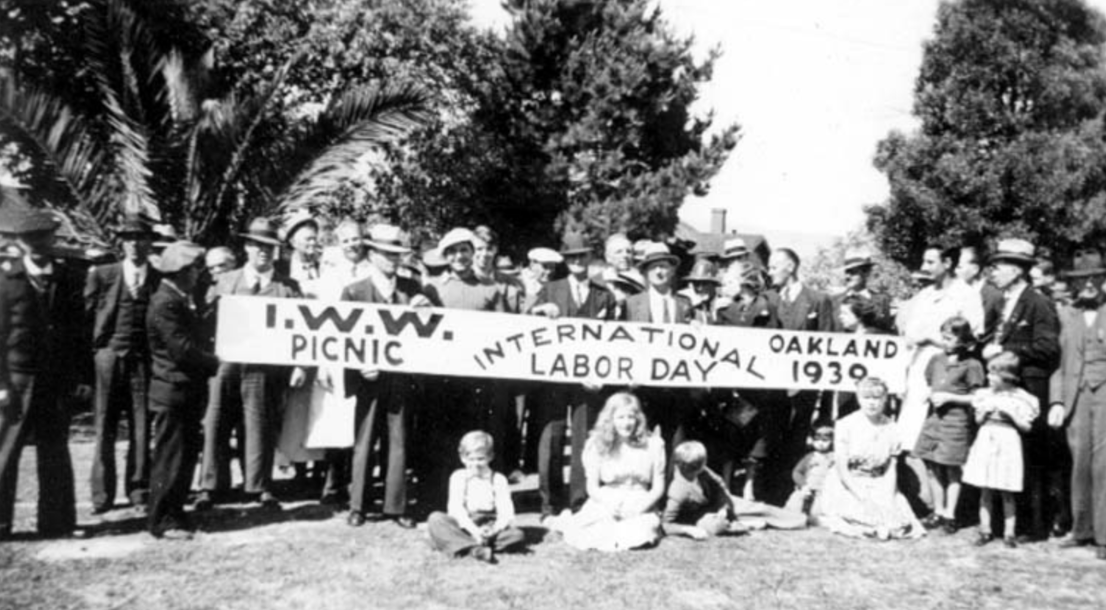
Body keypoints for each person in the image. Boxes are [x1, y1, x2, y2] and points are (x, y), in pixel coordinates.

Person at [199, 217, 305, 510]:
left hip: (263, 368)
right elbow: (206, 324)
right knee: (216, 422)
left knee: (259, 425)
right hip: (225, 364)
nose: (264, 252)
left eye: (270, 247)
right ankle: (210, 486)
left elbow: (302, 331)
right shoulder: (226, 282)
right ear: (247, 247)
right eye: (258, 245)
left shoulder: (288, 288)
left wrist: (300, 365)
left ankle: (259, 486)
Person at [0, 197, 90, 540]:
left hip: (55, 381)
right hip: (17, 378)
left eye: (44, 238)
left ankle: (57, 522)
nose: (38, 246)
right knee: (5, 453)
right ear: (20, 243)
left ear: (53, 239)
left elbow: (79, 334)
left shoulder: (67, 279)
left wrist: (80, 379)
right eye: (30, 239)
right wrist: (2, 384)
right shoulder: (6, 281)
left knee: (55, 453)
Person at [340, 224, 429, 528]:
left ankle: (396, 505)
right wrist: (358, 365)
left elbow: (429, 334)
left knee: (398, 440)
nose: (393, 259)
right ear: (372, 254)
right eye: (387, 254)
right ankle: (359, 505)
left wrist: (427, 311)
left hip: (401, 379)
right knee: (365, 440)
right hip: (369, 378)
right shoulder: (355, 291)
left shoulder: (413, 290)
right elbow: (342, 338)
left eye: (397, 254)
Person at [528, 231, 618, 516]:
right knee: (551, 437)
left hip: (588, 380)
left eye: (582, 255)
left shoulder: (604, 296)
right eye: (571, 257)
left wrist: (602, 374)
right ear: (565, 260)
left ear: (590, 258)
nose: (577, 261)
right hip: (554, 378)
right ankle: (550, 502)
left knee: (585, 438)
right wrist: (541, 310)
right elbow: (526, 322)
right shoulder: (551, 289)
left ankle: (580, 499)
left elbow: (617, 339)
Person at [984, 238, 1060, 542]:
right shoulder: (1005, 302)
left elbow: (1047, 348)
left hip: (1029, 387)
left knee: (1030, 456)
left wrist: (1004, 349)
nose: (995, 271)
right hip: (1008, 386)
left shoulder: (1038, 303)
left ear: (1017, 270)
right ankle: (1010, 522)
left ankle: (1034, 524)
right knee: (1009, 454)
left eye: (1000, 265)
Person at [145, 241, 220, 539]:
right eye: (194, 269)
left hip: (184, 390)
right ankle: (161, 519)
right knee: (170, 457)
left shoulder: (179, 299)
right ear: (181, 272)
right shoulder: (166, 303)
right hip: (173, 390)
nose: (198, 275)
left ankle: (174, 512)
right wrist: (216, 361)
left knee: (184, 455)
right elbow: (183, 350)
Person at [85, 218, 160, 514]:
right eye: (128, 238)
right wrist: (95, 354)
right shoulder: (103, 275)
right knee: (104, 425)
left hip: (143, 360)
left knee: (142, 427)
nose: (134, 244)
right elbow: (86, 317)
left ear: (149, 243)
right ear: (121, 243)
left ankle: (139, 490)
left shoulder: (157, 278)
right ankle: (101, 496)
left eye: (140, 238)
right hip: (109, 357)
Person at [1048, 250, 1106, 559]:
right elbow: (1058, 363)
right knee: (1079, 462)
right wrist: (1057, 400)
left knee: (1104, 464)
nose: (1089, 284)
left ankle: (1104, 536)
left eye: (1095, 277)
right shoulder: (1066, 314)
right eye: (1083, 279)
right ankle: (1081, 529)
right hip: (1076, 395)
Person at [765, 247, 834, 505]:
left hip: (804, 389)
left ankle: (795, 495)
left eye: (774, 267)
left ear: (790, 267)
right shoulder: (769, 299)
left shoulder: (817, 300)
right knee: (773, 438)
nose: (770, 272)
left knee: (797, 441)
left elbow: (829, 346)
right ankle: (772, 494)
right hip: (773, 387)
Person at [556, 392, 665, 552]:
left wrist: (640, 507)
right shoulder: (597, 445)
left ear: (638, 419)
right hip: (607, 499)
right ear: (610, 419)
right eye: (620, 417)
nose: (626, 423)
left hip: (639, 500)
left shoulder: (653, 445)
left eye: (631, 417)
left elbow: (658, 487)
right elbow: (592, 487)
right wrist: (608, 504)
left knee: (641, 531)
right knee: (587, 529)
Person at [819, 377, 923, 540]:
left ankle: (880, 525)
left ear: (885, 399)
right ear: (858, 398)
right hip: (850, 481)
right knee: (859, 513)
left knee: (894, 517)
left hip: (880, 481)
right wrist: (862, 495)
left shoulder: (892, 427)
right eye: (866, 398)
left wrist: (888, 496)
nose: (872, 403)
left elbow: (890, 467)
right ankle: (866, 525)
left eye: (877, 398)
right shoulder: (846, 424)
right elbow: (842, 467)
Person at [913, 316, 985, 534]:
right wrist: (929, 395)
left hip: (956, 421)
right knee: (932, 466)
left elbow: (977, 397)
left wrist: (950, 398)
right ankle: (938, 510)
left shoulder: (972, 365)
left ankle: (950, 515)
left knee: (952, 469)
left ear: (962, 340)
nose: (945, 342)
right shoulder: (936, 360)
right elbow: (930, 384)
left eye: (950, 338)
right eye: (943, 337)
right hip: (934, 419)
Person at [963, 352, 1039, 548]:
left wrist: (1012, 416)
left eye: (992, 374)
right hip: (987, 439)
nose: (988, 377)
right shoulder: (985, 396)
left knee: (1007, 489)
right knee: (985, 488)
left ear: (1006, 377)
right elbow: (978, 421)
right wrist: (985, 413)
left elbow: (1027, 427)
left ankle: (1009, 532)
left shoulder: (1022, 399)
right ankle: (985, 530)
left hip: (1008, 442)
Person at [624, 242, 691, 450]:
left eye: (664, 266)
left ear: (672, 270)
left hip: (676, 387)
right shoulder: (632, 304)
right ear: (645, 272)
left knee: (676, 444)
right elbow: (622, 343)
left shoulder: (685, 303)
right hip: (643, 386)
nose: (660, 271)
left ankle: (670, 482)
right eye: (654, 267)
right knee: (640, 442)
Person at [427, 430, 525, 563]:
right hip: (465, 524)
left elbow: (506, 512)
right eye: (471, 459)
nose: (475, 464)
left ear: (490, 457)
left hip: (489, 523)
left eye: (481, 459)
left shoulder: (498, 479)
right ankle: (476, 549)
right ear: (462, 458)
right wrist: (474, 531)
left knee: (517, 535)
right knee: (436, 519)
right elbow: (456, 510)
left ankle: (459, 544)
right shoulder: (458, 477)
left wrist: (494, 529)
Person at [662, 441, 748, 540]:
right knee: (717, 526)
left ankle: (744, 521)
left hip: (714, 505)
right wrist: (687, 529)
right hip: (698, 517)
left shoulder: (702, 470)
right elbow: (666, 524)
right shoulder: (678, 491)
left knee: (757, 509)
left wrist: (723, 507)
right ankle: (739, 524)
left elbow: (719, 483)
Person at [831, 248, 893, 333]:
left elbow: (886, 333)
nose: (847, 277)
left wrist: (859, 328)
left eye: (853, 272)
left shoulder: (881, 301)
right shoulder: (834, 301)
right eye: (846, 272)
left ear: (866, 273)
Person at [784, 423, 835, 520]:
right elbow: (797, 472)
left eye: (825, 441)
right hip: (808, 488)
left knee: (818, 513)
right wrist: (803, 484)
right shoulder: (809, 457)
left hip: (825, 491)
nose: (820, 443)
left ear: (832, 441)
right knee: (796, 508)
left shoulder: (834, 457)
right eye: (817, 440)